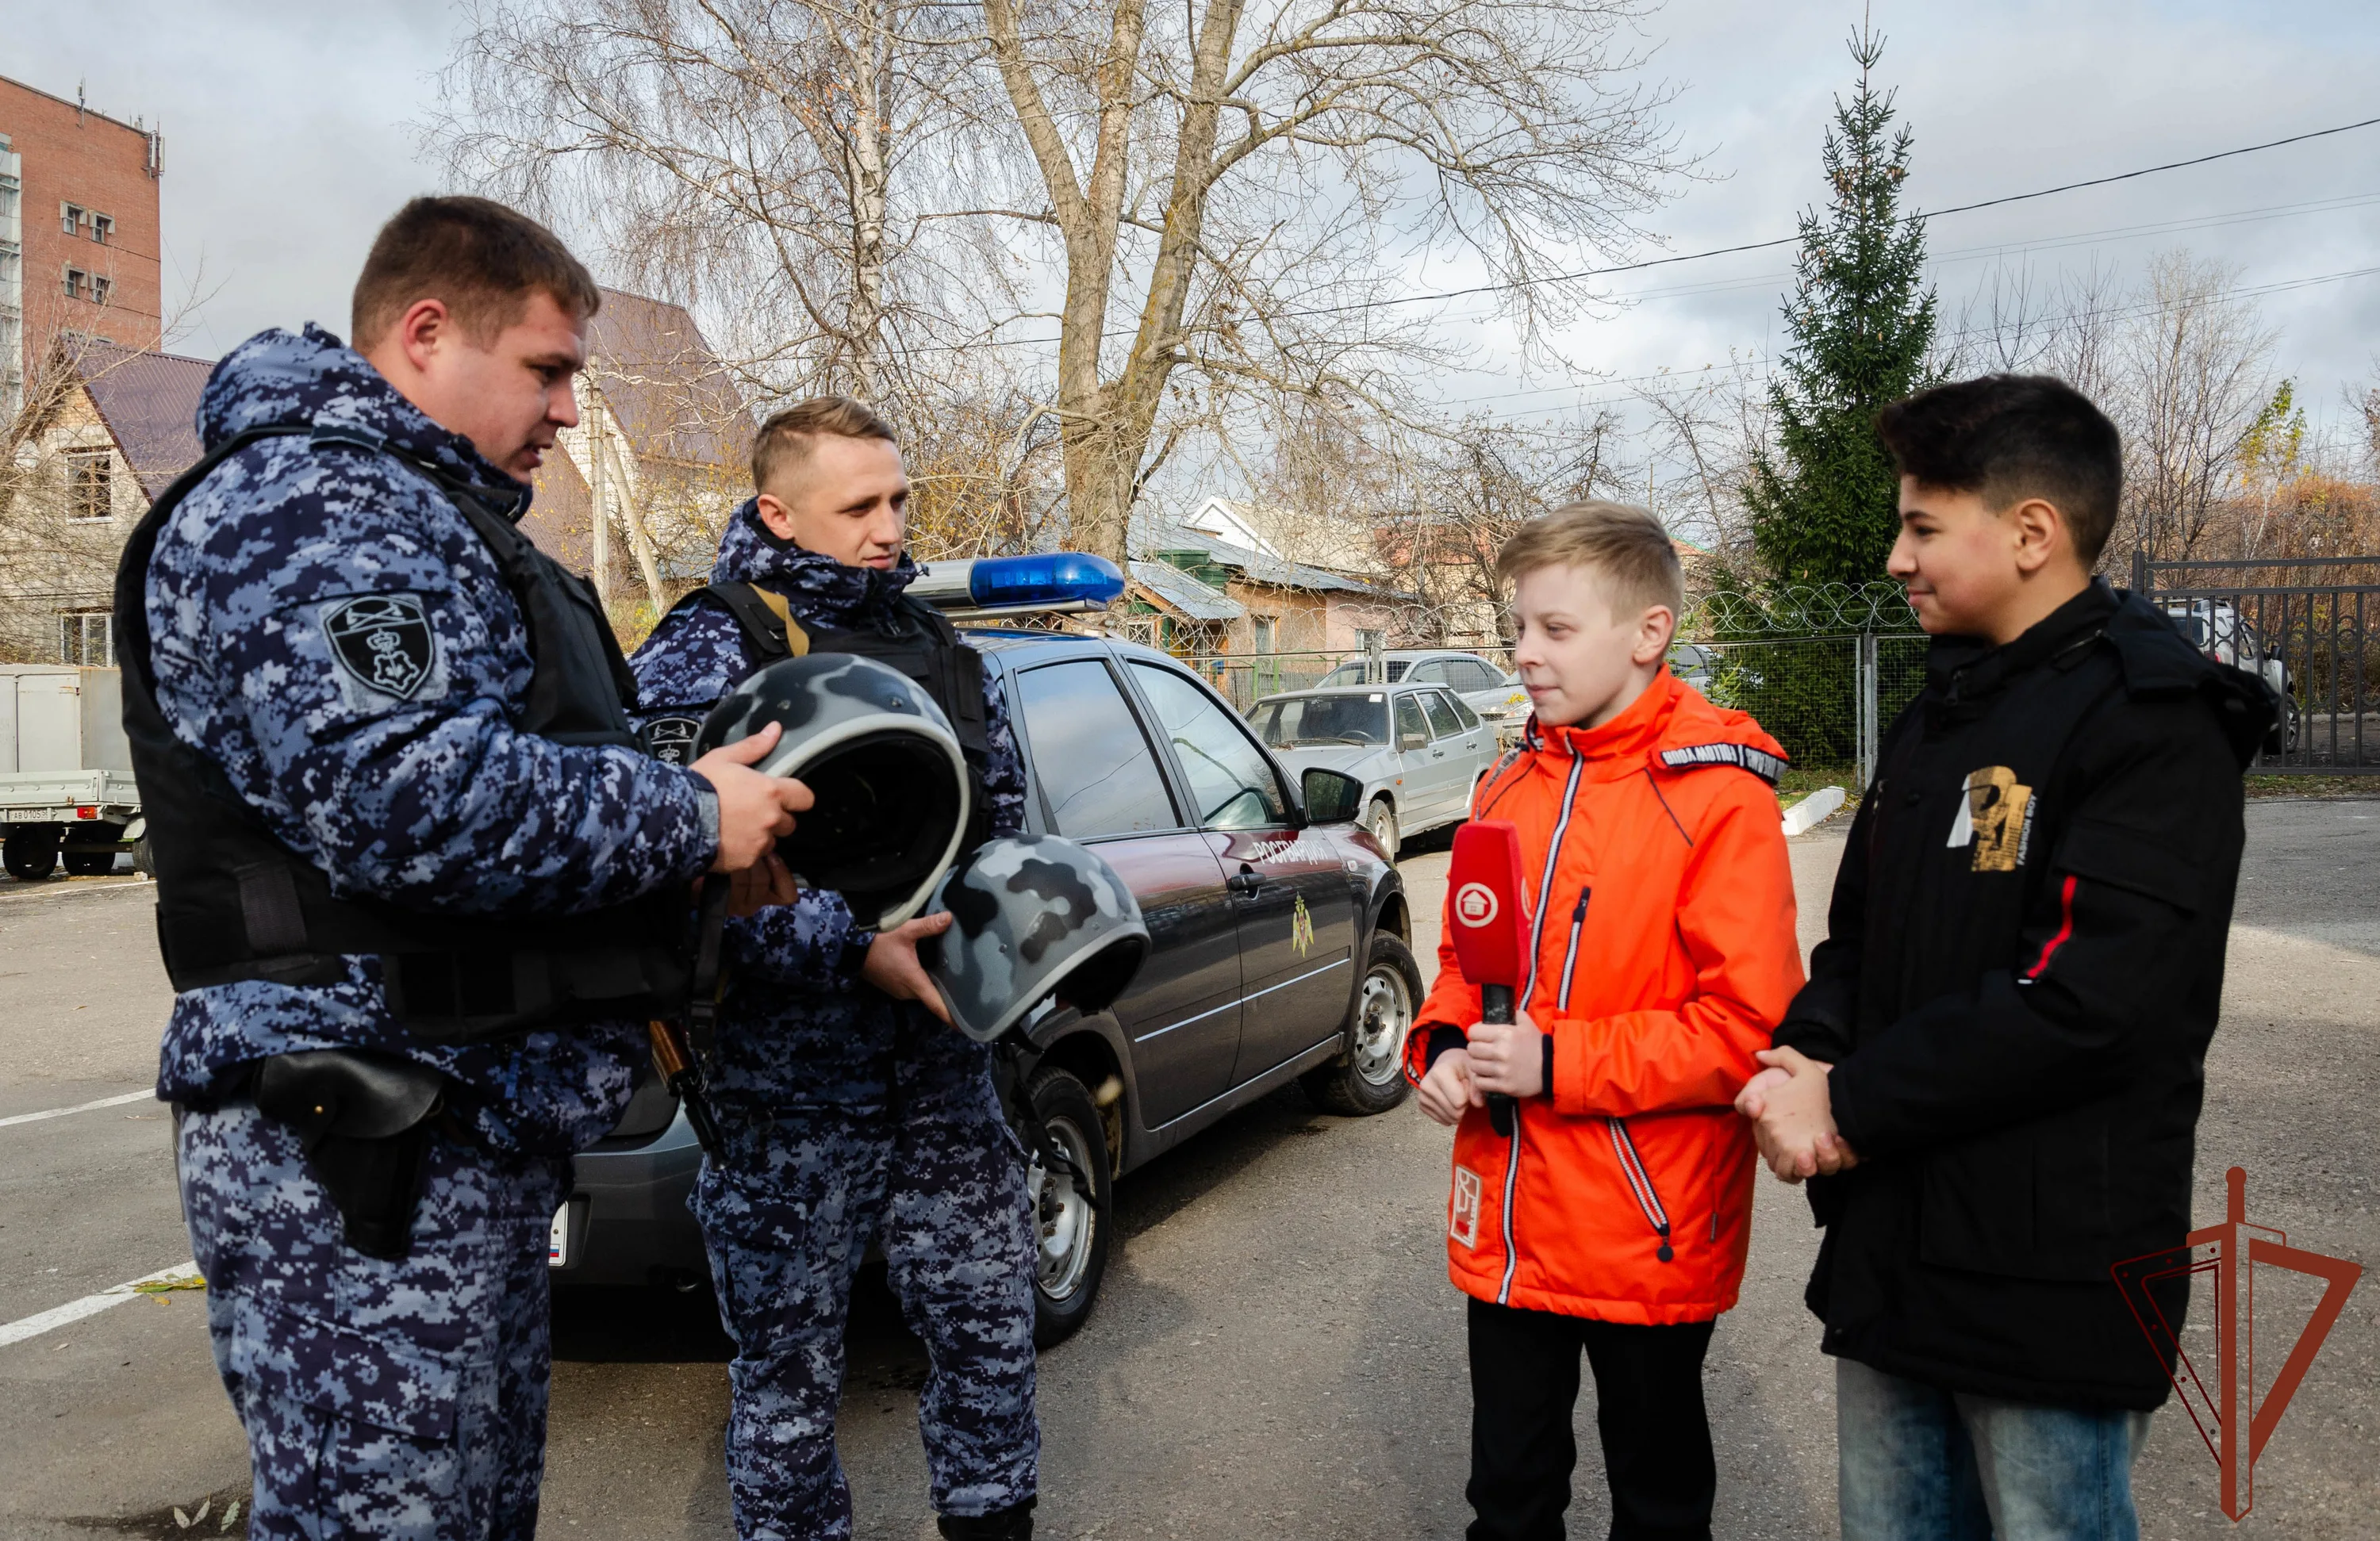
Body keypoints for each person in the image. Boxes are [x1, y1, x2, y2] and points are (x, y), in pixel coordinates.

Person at [125, 197, 812, 1539]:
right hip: (364, 1142)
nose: (567, 409)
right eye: (548, 369)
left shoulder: (424, 515)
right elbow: (407, 797)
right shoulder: (312, 503)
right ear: (428, 334)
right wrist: (686, 817)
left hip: (457, 1122)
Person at [1737, 375, 2274, 1541]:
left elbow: (2086, 1002)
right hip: (1896, 1257)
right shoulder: (1942, 711)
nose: (1895, 557)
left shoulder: (2155, 721)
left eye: (1923, 526)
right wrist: (1807, 1058)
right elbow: (1862, 941)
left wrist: (1852, 1098)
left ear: (2032, 531)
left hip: (2051, 1279)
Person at [628, 397, 1039, 1541]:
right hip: (788, 1084)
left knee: (988, 1328)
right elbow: (672, 870)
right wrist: (853, 951)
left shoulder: (946, 654)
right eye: (858, 505)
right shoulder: (708, 644)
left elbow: (995, 830)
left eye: (898, 499)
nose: (888, 527)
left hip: (944, 1065)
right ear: (778, 510)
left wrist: (1007, 942)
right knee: (790, 1376)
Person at [1407, 501, 1806, 1541]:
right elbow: (1465, 965)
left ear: (1649, 631)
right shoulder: (1505, 785)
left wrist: (1558, 1060)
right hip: (1507, 1224)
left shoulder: (1719, 794)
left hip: (1647, 1229)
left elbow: (1743, 1026)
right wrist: (1443, 1047)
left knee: (1660, 1500)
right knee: (1509, 1498)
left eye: (1555, 629)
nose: (1525, 654)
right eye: (1519, 629)